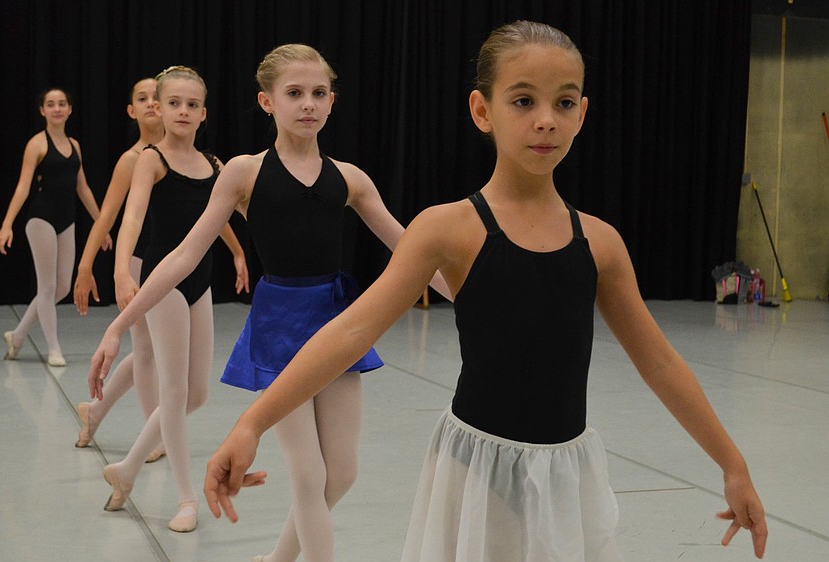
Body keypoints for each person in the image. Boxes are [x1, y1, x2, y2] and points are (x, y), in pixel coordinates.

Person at [191, 21, 768, 561]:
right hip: (476, 469)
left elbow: (661, 362)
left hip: (568, 471)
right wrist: (252, 423)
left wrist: (732, 462)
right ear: (482, 109)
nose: (546, 120)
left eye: (564, 102)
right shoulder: (447, 229)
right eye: (523, 101)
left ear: (583, 113)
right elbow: (352, 330)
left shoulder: (601, 242)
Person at [88, 44, 450, 560]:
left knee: (341, 473)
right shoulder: (243, 172)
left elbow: (415, 254)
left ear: (332, 102)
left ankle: (278, 559)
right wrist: (120, 324)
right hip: (279, 326)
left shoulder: (350, 179)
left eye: (319, 93)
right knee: (309, 475)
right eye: (295, 93)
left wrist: (476, 296)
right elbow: (185, 254)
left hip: (336, 326)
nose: (308, 104)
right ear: (267, 102)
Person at [96, 65, 248, 533]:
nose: (184, 111)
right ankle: (186, 499)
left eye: (193, 104)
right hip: (162, 283)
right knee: (176, 391)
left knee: (197, 393)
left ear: (204, 113)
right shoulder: (151, 159)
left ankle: (127, 467)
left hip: (198, 282)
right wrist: (123, 270)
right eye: (174, 103)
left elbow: (231, 216)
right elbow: (133, 217)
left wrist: (240, 253)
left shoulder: (215, 165)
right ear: (158, 109)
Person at [0, 88, 111, 367]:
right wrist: (7, 224)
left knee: (61, 288)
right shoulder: (37, 144)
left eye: (62, 104)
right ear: (42, 111)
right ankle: (53, 348)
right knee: (47, 286)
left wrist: (101, 224)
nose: (57, 108)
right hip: (41, 219)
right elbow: (23, 186)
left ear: (70, 109)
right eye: (51, 104)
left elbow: (82, 188)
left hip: (66, 220)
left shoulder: (74, 145)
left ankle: (18, 334)